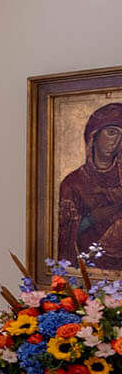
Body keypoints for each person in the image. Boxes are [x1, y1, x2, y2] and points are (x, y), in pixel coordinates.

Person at [59, 102, 122, 265]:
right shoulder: (73, 183)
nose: (116, 141)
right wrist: (92, 219)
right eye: (112, 132)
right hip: (90, 268)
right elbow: (63, 237)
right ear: (93, 135)